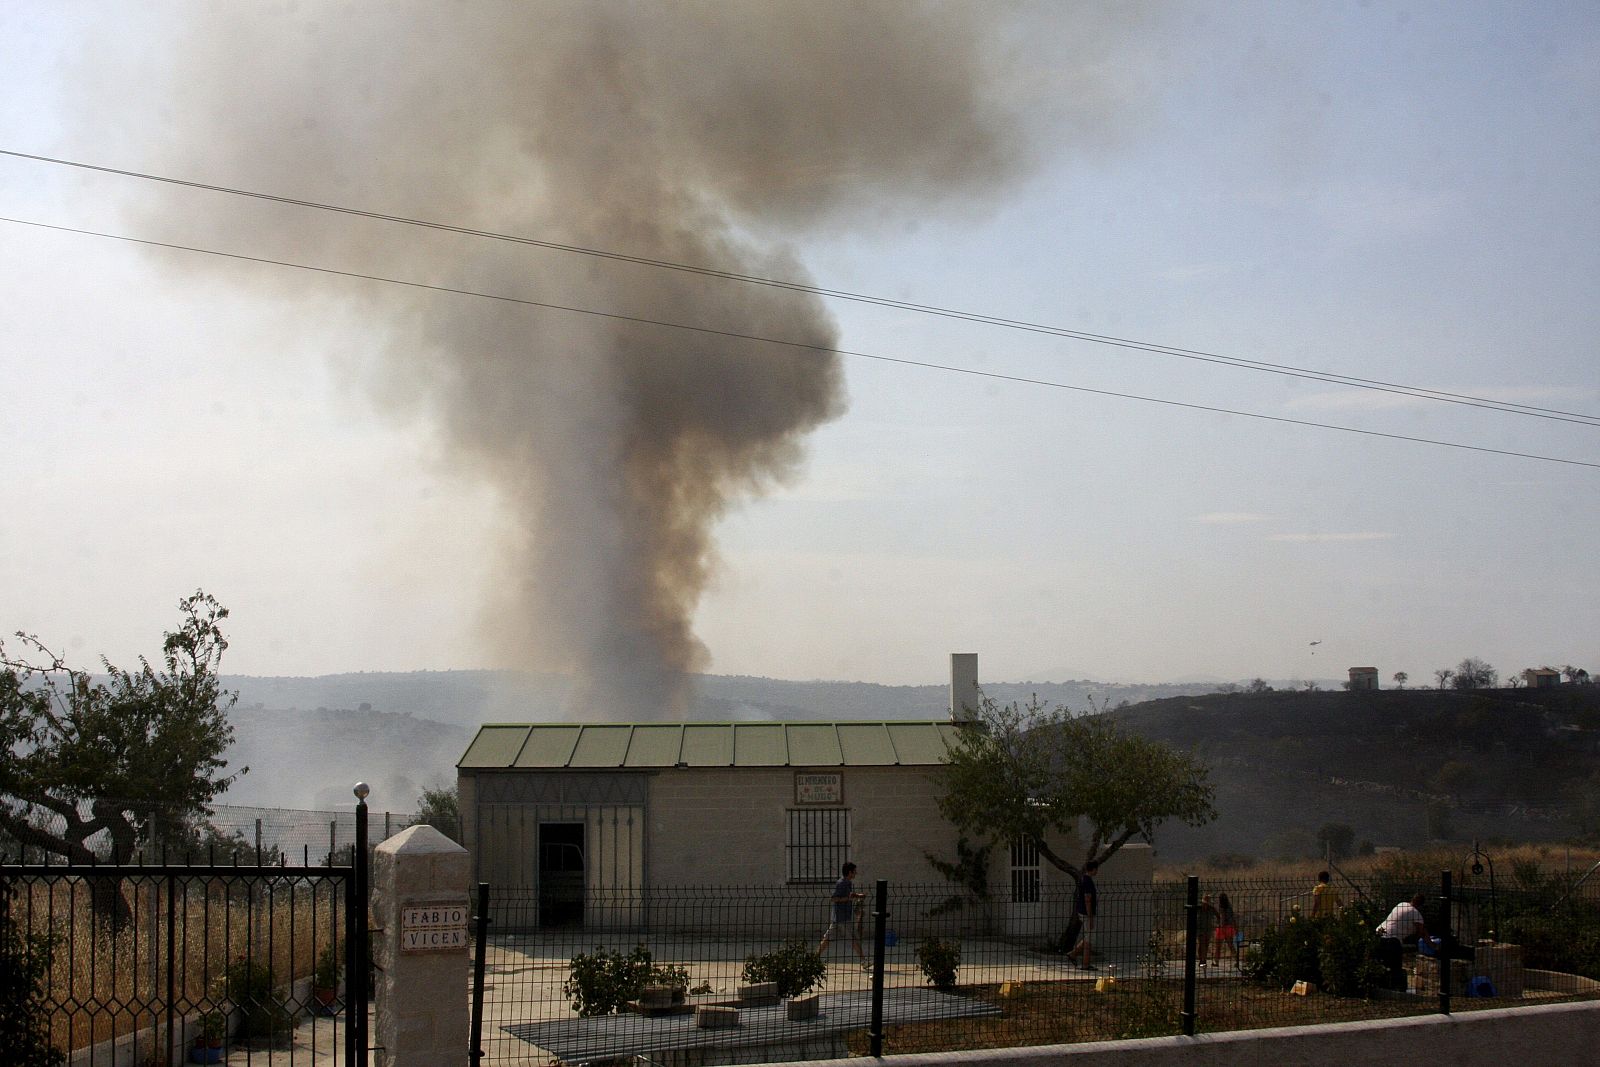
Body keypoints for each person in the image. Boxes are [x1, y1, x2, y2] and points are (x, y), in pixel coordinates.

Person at [818, 862, 869, 969]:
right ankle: (864, 961)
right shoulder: (841, 883)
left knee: (827, 939)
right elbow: (833, 898)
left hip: (839, 918)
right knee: (854, 939)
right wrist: (847, 899)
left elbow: (849, 895)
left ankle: (813, 958)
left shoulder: (848, 883)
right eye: (854, 871)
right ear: (850, 872)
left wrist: (858, 895)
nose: (856, 873)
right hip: (842, 917)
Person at [1375, 893, 1428, 990]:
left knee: (1380, 962)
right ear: (1421, 905)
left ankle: (1380, 986)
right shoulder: (1416, 914)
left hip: (1379, 933)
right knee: (1396, 966)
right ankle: (1395, 989)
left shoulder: (1401, 904)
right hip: (1392, 939)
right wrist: (1432, 945)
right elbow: (1422, 933)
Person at [1069, 861, 1099, 969]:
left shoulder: (1085, 880)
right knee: (1089, 938)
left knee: (1088, 936)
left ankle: (1073, 954)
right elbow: (1088, 899)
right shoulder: (1087, 881)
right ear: (1093, 869)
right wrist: (1090, 917)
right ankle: (1085, 963)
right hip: (1087, 913)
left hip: (1084, 912)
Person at [1214, 892, 1240, 969]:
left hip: (1222, 927)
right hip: (1229, 927)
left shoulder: (1221, 907)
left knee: (1218, 946)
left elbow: (1222, 918)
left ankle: (1216, 961)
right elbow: (1232, 918)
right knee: (1231, 945)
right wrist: (1235, 927)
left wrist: (1221, 926)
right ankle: (1236, 960)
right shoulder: (1229, 907)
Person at [1197, 893, 1219, 967]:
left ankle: (1204, 959)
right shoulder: (1198, 908)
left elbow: (1218, 916)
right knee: (1202, 944)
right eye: (1205, 903)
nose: (1205, 905)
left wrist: (1217, 923)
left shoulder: (1211, 909)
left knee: (1206, 945)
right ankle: (1202, 960)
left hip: (1208, 929)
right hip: (1200, 929)